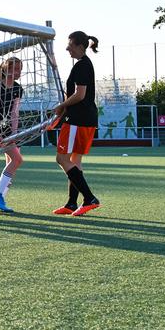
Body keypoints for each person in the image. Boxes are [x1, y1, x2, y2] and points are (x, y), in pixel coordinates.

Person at [52, 31, 102, 216]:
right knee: (74, 161)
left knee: (62, 158)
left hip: (78, 120)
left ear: (81, 46)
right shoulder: (84, 64)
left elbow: (79, 95)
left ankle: (89, 198)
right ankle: (72, 203)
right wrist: (63, 111)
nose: (67, 48)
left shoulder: (82, 65)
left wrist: (61, 106)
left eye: (70, 45)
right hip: (85, 119)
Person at [0, 57, 24, 213]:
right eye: (15, 69)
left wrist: (15, 133)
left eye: (20, 70)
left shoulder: (18, 88)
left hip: (11, 129)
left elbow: (15, 112)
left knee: (12, 163)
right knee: (17, 160)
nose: (18, 72)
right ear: (6, 69)